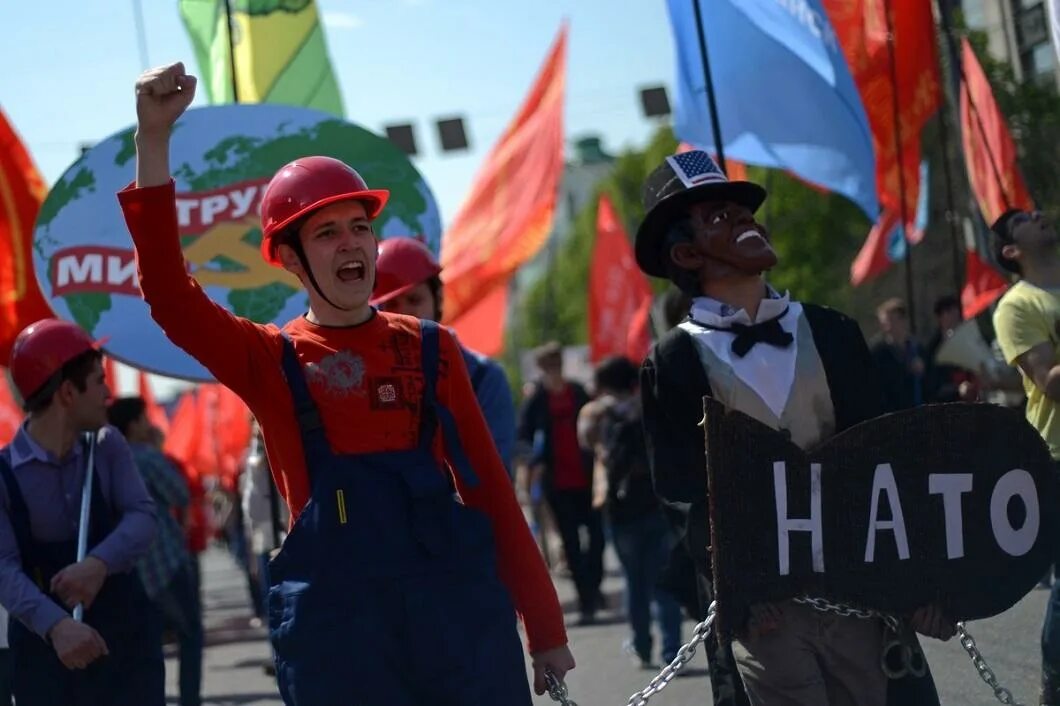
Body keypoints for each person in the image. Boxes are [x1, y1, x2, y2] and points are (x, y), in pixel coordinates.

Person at [123, 62, 572, 705]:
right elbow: (167, 294)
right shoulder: (267, 358)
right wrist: (153, 142)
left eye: (359, 226)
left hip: (456, 622)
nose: (349, 244)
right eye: (326, 233)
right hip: (342, 636)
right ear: (289, 259)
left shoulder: (431, 347)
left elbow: (490, 494)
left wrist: (545, 629)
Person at [634, 150, 952, 706]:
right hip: (767, 615)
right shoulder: (673, 362)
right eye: (718, 216)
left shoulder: (832, 332)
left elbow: (889, 457)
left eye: (744, 212)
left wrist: (920, 575)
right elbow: (683, 495)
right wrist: (738, 593)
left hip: (857, 593)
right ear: (686, 253)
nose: (745, 222)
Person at [0, 319, 163, 705]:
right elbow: (3, 568)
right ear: (68, 393)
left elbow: (142, 516)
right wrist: (56, 627)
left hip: (126, 642)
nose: (108, 393)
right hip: (46, 655)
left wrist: (97, 564)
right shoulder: (4, 475)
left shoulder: (107, 446)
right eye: (99, 381)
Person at [370, 236, 517, 478]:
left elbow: (490, 473)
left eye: (414, 300)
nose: (404, 314)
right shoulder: (368, 383)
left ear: (437, 299)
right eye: (391, 304)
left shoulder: (483, 378)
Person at [989, 208, 1060, 705]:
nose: (1040, 216)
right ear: (1011, 251)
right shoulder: (1016, 305)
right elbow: (1049, 383)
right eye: (1026, 221)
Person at [577, 356, 682, 668]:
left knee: (633, 582)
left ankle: (641, 646)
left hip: (619, 510)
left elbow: (584, 442)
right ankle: (673, 650)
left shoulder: (598, 412)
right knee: (663, 580)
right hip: (656, 503)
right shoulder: (650, 404)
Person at [108, 397, 203, 706]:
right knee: (191, 635)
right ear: (134, 424)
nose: (150, 423)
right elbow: (177, 491)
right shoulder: (146, 457)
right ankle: (189, 700)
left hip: (131, 568)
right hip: (164, 561)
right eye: (144, 418)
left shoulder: (108, 460)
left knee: (148, 646)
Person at [518, 341, 605, 625]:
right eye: (549, 364)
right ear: (542, 368)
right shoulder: (536, 400)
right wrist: (535, 461)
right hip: (559, 483)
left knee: (598, 540)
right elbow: (522, 437)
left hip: (588, 478)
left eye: (557, 363)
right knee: (571, 543)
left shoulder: (578, 392)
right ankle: (586, 601)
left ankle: (593, 587)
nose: (554, 369)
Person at [870, 298, 927, 412]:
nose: (887, 326)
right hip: (893, 412)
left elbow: (930, 382)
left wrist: (922, 370)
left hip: (918, 409)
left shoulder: (917, 348)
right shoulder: (878, 352)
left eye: (891, 320)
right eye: (884, 322)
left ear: (903, 321)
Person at [923, 294, 980, 403]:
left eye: (956, 310)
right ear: (940, 317)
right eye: (949, 311)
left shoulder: (969, 342)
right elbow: (932, 384)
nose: (955, 315)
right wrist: (956, 389)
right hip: (947, 405)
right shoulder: (934, 349)